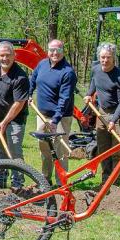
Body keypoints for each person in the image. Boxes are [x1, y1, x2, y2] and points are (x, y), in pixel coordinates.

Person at [0, 40, 29, 189]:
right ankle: (0, 180)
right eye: (2, 55)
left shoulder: (20, 77)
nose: (5, 59)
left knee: (14, 152)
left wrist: (5, 122)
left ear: (14, 56)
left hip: (15, 119)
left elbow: (19, 104)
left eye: (8, 55)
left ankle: (17, 184)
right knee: (0, 150)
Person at [29, 38, 77, 184]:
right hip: (42, 114)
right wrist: (29, 94)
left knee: (60, 150)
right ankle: (45, 180)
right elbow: (33, 79)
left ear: (63, 51)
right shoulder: (42, 64)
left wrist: (55, 120)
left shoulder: (67, 72)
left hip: (60, 117)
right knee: (43, 147)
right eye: (52, 50)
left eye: (58, 50)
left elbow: (64, 98)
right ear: (48, 50)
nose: (55, 53)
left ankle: (61, 183)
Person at [83, 43, 120, 187]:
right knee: (103, 149)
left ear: (113, 59)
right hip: (101, 113)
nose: (104, 60)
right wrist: (89, 94)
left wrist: (113, 120)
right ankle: (105, 181)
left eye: (108, 58)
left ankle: (115, 184)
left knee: (117, 151)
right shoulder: (96, 69)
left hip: (118, 115)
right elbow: (94, 82)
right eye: (102, 57)